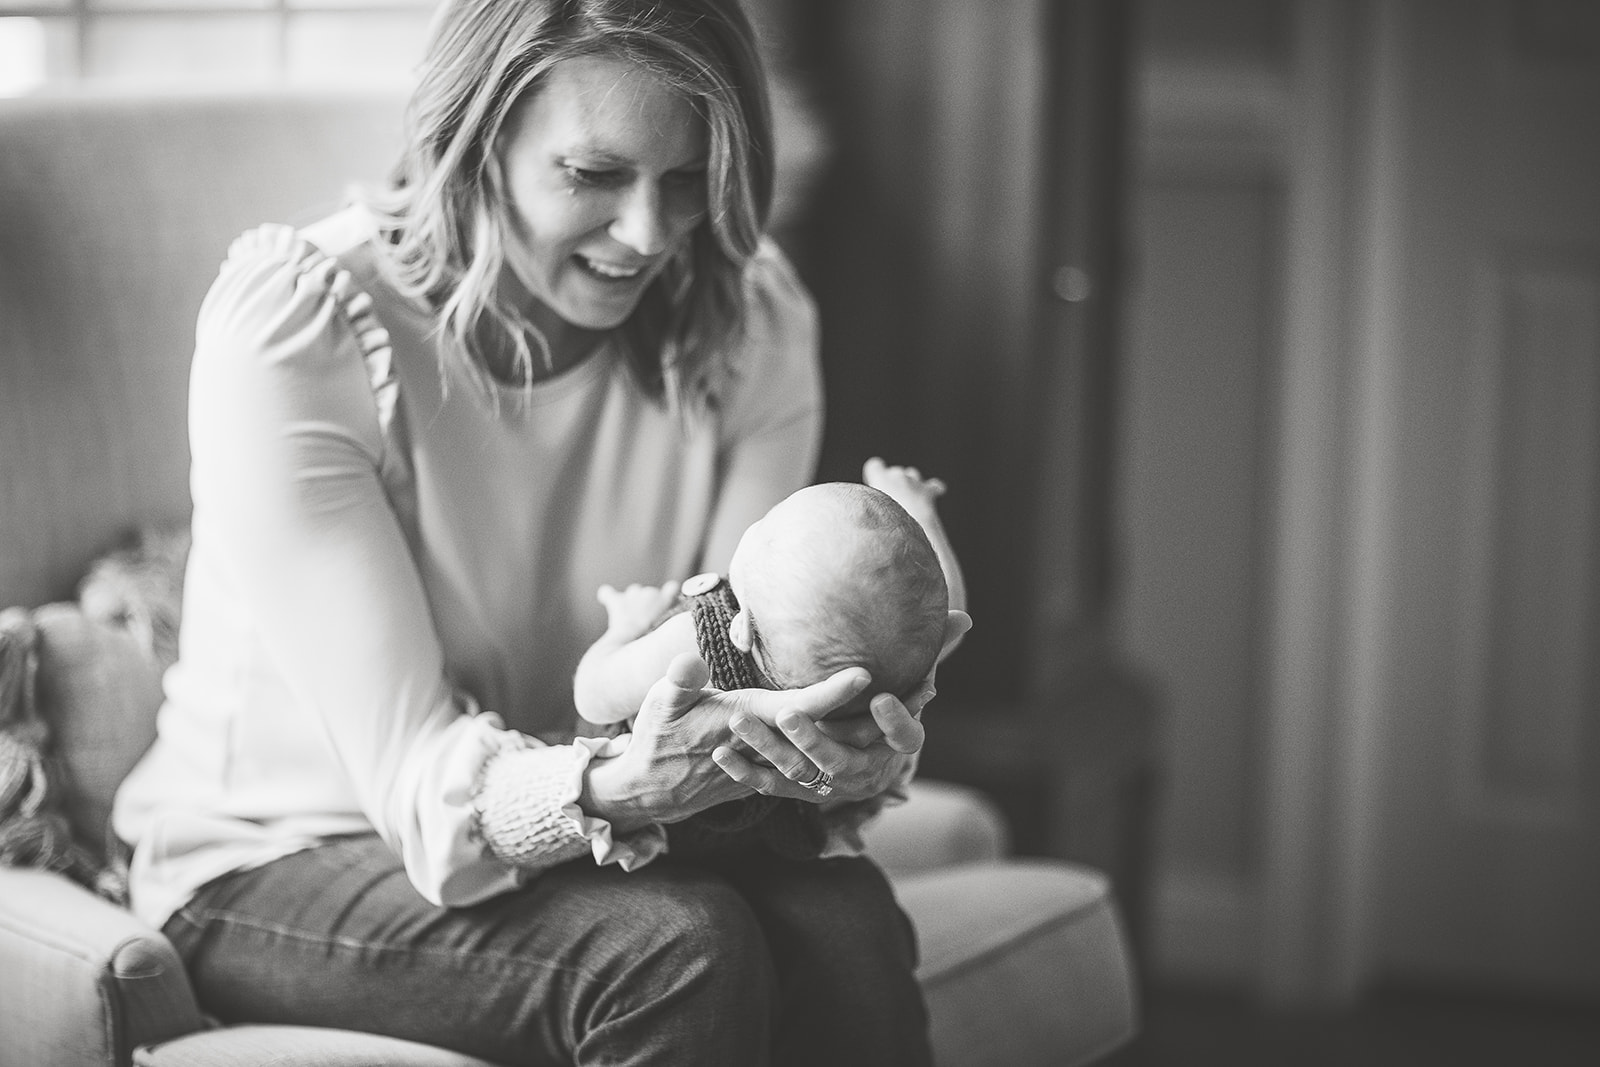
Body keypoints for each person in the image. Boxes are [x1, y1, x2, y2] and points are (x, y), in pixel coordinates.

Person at [109, 1, 967, 1064]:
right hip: (271, 855)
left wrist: (830, 729)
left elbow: (741, 658)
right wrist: (618, 785)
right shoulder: (300, 334)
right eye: (594, 175)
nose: (650, 233)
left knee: (844, 922)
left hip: (579, 819)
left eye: (689, 177)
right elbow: (419, 794)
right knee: (679, 947)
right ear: (480, 141)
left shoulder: (753, 326)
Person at [575, 460, 971, 859]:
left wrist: (624, 627)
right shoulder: (894, 663)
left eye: (763, 527)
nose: (750, 527)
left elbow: (593, 696)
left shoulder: (696, 642)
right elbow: (943, 609)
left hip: (656, 842)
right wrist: (919, 511)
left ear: (741, 628)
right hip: (782, 851)